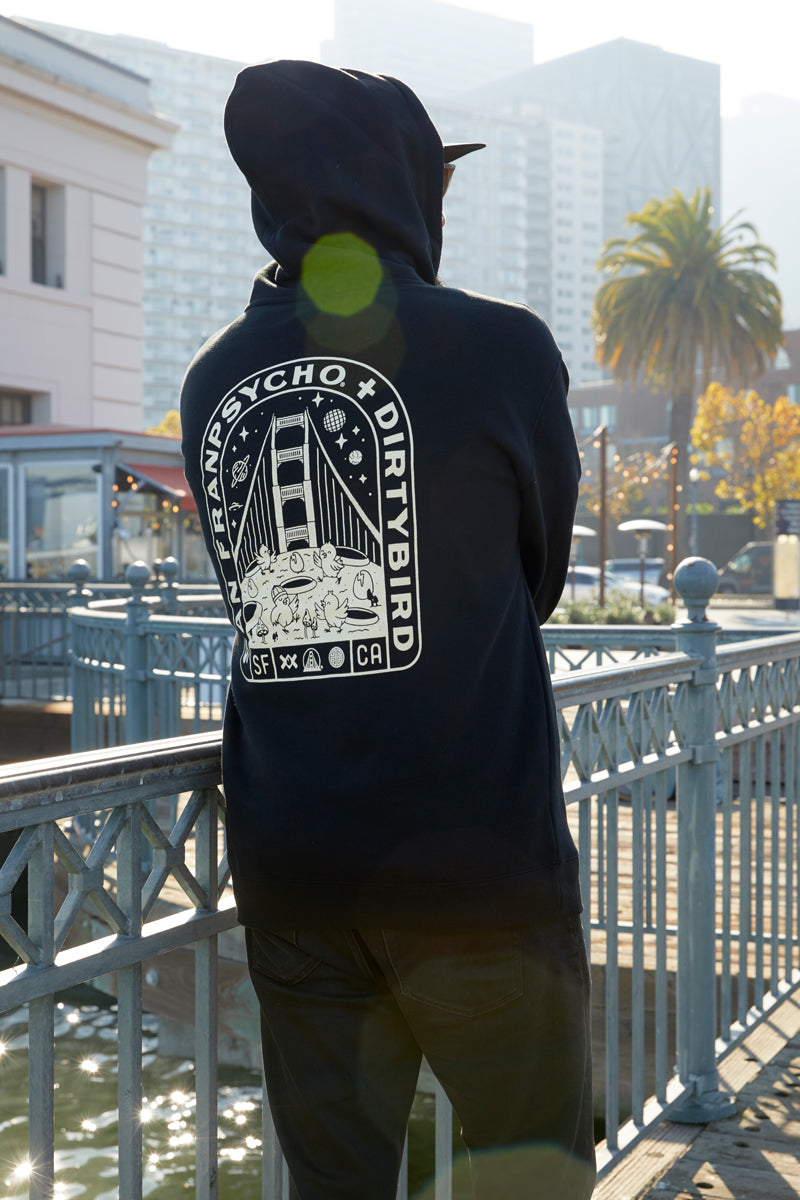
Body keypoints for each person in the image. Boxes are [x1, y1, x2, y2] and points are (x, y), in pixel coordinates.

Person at [181, 59, 594, 1200]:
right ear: (403, 187)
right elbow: (539, 572)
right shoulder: (501, 349)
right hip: (479, 875)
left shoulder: (214, 377)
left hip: (295, 869)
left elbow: (252, 600)